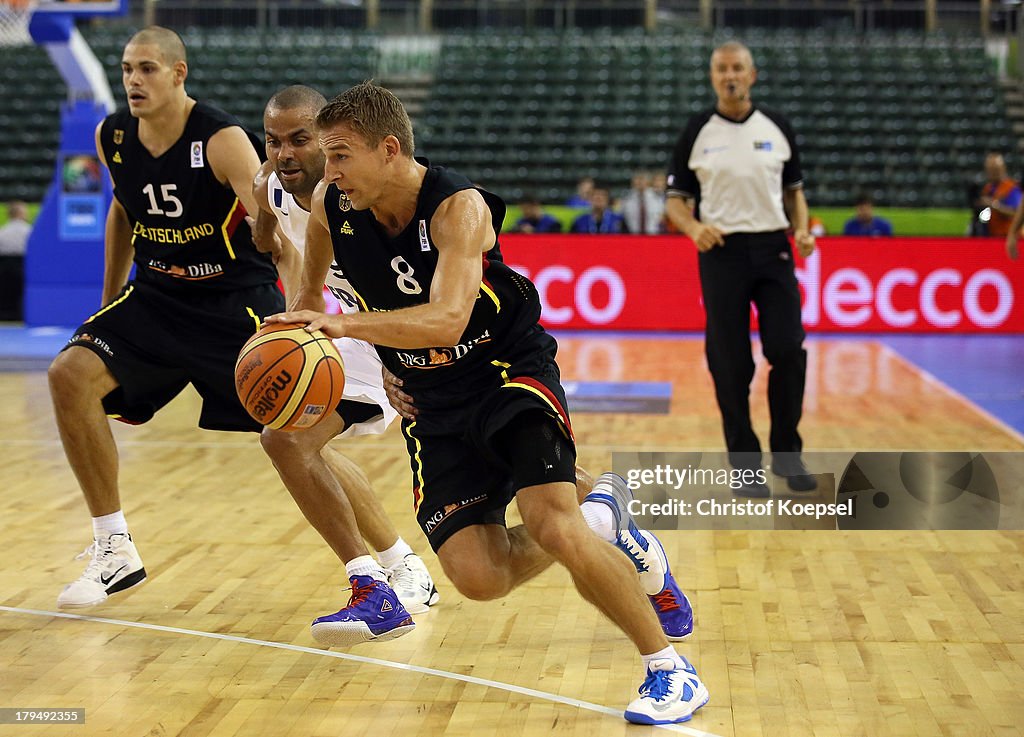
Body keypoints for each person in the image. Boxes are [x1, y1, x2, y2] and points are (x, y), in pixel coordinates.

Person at [265, 82, 709, 725]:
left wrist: (349, 329)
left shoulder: (458, 208)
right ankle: (605, 518)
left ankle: (668, 670)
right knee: (480, 577)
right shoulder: (332, 206)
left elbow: (447, 318)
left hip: (504, 372)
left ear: (389, 150)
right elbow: (310, 300)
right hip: (429, 399)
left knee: (552, 520)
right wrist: (300, 339)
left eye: (339, 155)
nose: (326, 172)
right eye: (325, 157)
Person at [46, 29, 415, 644]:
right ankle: (114, 547)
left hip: (232, 307)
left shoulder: (221, 141)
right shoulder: (112, 136)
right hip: (159, 296)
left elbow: (281, 235)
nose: (134, 80)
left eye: (147, 69)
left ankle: (400, 565)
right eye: (127, 69)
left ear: (178, 72)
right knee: (68, 374)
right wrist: (107, 299)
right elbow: (123, 209)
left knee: (300, 443)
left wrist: (299, 309)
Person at [252, 84, 440, 623]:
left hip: (402, 339)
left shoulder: (372, 197)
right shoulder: (273, 184)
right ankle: (388, 574)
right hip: (342, 333)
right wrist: (268, 235)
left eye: (302, 140)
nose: (285, 153)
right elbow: (268, 232)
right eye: (272, 141)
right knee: (294, 443)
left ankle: (608, 517)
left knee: (520, 485)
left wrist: (397, 356)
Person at [664, 40, 817, 497]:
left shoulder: (778, 126)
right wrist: (693, 229)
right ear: (713, 77)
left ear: (752, 75)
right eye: (721, 69)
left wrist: (803, 230)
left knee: (788, 350)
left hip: (774, 249)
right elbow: (674, 202)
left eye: (737, 68)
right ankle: (745, 466)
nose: (729, 75)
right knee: (729, 363)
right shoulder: (697, 130)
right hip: (722, 253)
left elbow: (795, 193)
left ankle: (788, 454)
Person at [975, 152, 1022, 239]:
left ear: (1003, 168)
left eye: (995, 169)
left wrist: (994, 206)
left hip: (1008, 237)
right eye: (990, 169)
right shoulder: (987, 188)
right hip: (992, 236)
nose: (992, 173)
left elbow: (1017, 213)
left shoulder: (1011, 188)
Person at [0, 200, 31, 321]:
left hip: (3, 272)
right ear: (21, 213)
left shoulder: (2, 232)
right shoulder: (30, 232)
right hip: (22, 269)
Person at [620, 171, 665, 235]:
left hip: (654, 237)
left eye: (642, 179)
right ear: (632, 183)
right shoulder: (626, 199)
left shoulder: (658, 198)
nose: (640, 182)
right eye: (637, 179)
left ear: (648, 182)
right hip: (633, 237)